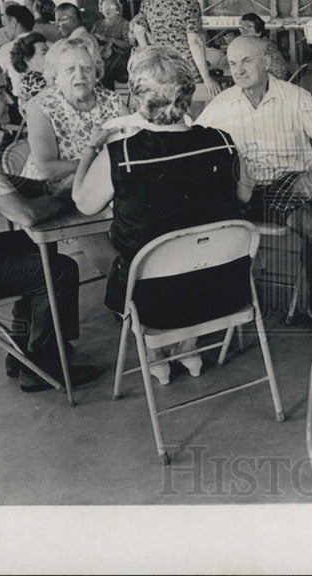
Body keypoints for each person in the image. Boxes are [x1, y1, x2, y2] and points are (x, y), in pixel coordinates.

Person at [72, 48, 249, 385]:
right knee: (195, 241)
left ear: (138, 99)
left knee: (137, 258)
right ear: (189, 93)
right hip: (224, 292)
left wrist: (89, 151)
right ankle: (189, 346)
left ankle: (155, 354)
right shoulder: (222, 142)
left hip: (153, 302)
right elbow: (240, 195)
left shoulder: (121, 154)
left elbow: (84, 203)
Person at [0, 55, 101, 392]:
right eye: (0, 92)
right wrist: (69, 196)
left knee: (34, 246)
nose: (10, 99)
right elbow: (22, 214)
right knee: (58, 271)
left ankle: (22, 351)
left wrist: (43, 188)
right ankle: (44, 367)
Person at [195, 35, 312, 339]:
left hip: (285, 182)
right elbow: (195, 144)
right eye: (233, 63)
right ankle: (210, 306)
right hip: (238, 188)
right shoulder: (222, 104)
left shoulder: (295, 97)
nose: (238, 70)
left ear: (265, 62)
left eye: (246, 61)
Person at [22, 37, 127, 182]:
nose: (79, 74)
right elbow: (47, 169)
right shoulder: (40, 107)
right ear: (55, 75)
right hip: (51, 192)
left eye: (87, 68)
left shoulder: (113, 101)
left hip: (101, 185)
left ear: (96, 73)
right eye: (70, 69)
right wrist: (99, 164)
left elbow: (136, 146)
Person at [133, 0, 219, 101]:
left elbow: (138, 30)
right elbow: (195, 42)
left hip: (161, 67)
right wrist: (206, 77)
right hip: (185, 69)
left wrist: (151, 53)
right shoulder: (189, 2)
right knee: (197, 107)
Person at [92, 0, 133, 88]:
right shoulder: (98, 24)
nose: (107, 10)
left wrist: (110, 39)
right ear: (101, 9)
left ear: (118, 9)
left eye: (111, 7)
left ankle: (108, 96)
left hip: (121, 58)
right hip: (102, 55)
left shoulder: (124, 23)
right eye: (105, 8)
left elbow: (129, 45)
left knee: (103, 70)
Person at [0, 4, 36, 89]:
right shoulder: (50, 44)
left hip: (23, 99)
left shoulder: (5, 50)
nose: (4, 30)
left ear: (13, 22)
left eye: (5, 24)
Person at [9, 32, 49, 115]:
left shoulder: (27, 77)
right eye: (44, 53)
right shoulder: (32, 81)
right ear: (27, 58)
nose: (50, 56)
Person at [239, 12, 288, 79]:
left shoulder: (261, 44)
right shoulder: (257, 42)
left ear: (258, 31)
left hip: (274, 81)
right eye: (242, 27)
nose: (244, 31)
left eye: (248, 27)